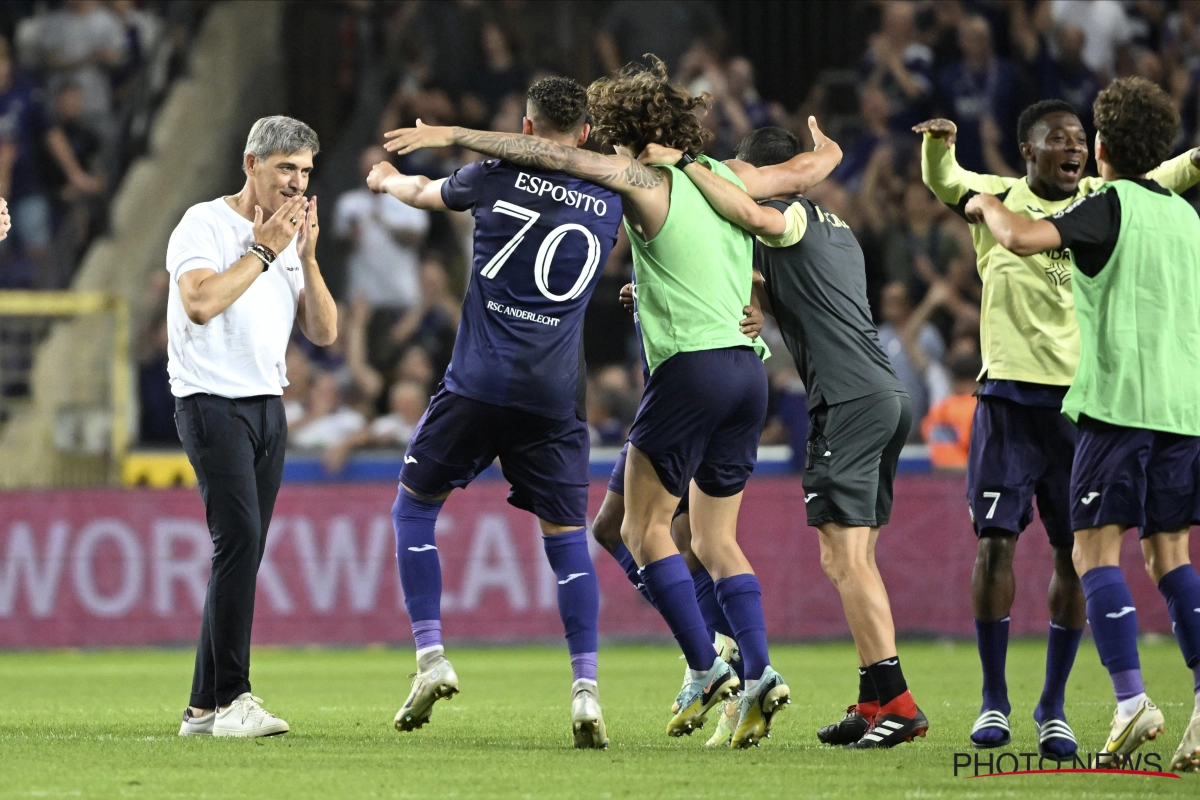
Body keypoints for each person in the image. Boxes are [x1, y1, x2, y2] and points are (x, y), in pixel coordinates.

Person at [385, 56, 841, 748]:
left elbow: (543, 153)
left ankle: (704, 666)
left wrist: (452, 131)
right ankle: (756, 673)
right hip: (749, 374)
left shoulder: (638, 180)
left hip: (687, 373)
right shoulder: (725, 174)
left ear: (617, 134)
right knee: (689, 537)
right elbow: (799, 176)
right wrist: (827, 150)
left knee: (640, 531)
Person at [916, 99, 1200, 758]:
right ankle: (994, 699)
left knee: (1080, 557)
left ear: (1096, 152)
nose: (1072, 146)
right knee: (996, 545)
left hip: (1085, 404)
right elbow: (946, 180)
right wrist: (938, 145)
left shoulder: (1104, 199)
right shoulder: (996, 195)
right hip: (1012, 396)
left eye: (1081, 137)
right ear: (1030, 152)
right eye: (1058, 139)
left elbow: (1173, 169)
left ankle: (1056, 705)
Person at [640, 125, 928, 749]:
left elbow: (746, 211)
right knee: (858, 559)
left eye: (740, 172)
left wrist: (688, 164)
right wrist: (760, 303)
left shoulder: (788, 213)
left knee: (843, 560)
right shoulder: (839, 231)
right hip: (884, 396)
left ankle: (900, 703)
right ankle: (872, 700)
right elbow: (815, 296)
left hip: (848, 401)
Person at [366, 77, 623, 749]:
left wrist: (387, 179)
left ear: (527, 130)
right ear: (588, 135)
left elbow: (423, 195)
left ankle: (430, 656)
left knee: (414, 508)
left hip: (476, 382)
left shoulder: (493, 174)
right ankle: (586, 690)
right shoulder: (616, 194)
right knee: (568, 542)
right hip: (553, 397)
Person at [169, 116, 337, 738]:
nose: (297, 185)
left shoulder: (292, 240)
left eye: (305, 173)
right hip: (211, 400)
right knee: (238, 538)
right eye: (285, 169)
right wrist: (263, 251)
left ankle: (202, 708)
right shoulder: (204, 224)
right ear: (251, 165)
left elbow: (323, 334)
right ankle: (236, 697)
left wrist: (309, 258)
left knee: (244, 549)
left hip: (269, 404)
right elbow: (200, 302)